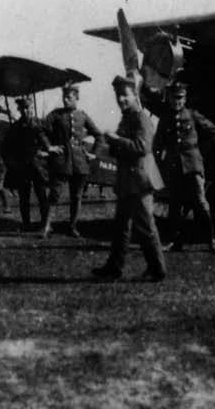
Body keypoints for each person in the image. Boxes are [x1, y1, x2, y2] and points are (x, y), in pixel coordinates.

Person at [92, 76, 167, 282]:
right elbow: (125, 148)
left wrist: (117, 140)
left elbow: (143, 147)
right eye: (118, 96)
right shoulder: (127, 118)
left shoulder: (140, 117)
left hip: (140, 180)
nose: (121, 100)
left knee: (145, 226)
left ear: (134, 95)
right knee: (121, 227)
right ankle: (114, 268)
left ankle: (158, 269)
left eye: (125, 96)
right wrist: (112, 144)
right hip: (128, 180)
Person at [154, 80, 215, 253]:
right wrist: (160, 164)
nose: (177, 101)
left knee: (200, 201)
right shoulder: (165, 119)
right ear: (168, 98)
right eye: (173, 98)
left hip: (193, 165)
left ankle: (211, 239)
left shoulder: (193, 115)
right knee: (175, 204)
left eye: (180, 98)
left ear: (185, 99)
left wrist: (198, 151)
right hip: (174, 166)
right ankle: (174, 241)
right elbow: (157, 144)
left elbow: (213, 131)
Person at [44, 83, 103, 237]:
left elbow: (99, 135)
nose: (65, 100)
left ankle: (72, 226)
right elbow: (41, 130)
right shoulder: (55, 115)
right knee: (55, 194)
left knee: (76, 196)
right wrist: (49, 147)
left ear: (76, 98)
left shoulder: (82, 115)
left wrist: (94, 154)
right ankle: (46, 226)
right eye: (64, 96)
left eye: (69, 97)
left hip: (79, 162)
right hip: (61, 161)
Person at [2, 98, 53, 234]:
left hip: (38, 165)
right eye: (23, 108)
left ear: (32, 108)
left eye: (29, 107)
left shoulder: (40, 124)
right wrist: (11, 163)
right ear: (19, 110)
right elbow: (6, 148)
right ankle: (26, 224)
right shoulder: (15, 127)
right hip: (22, 166)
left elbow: (49, 140)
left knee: (42, 196)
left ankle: (45, 224)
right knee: (24, 198)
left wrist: (47, 152)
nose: (27, 110)